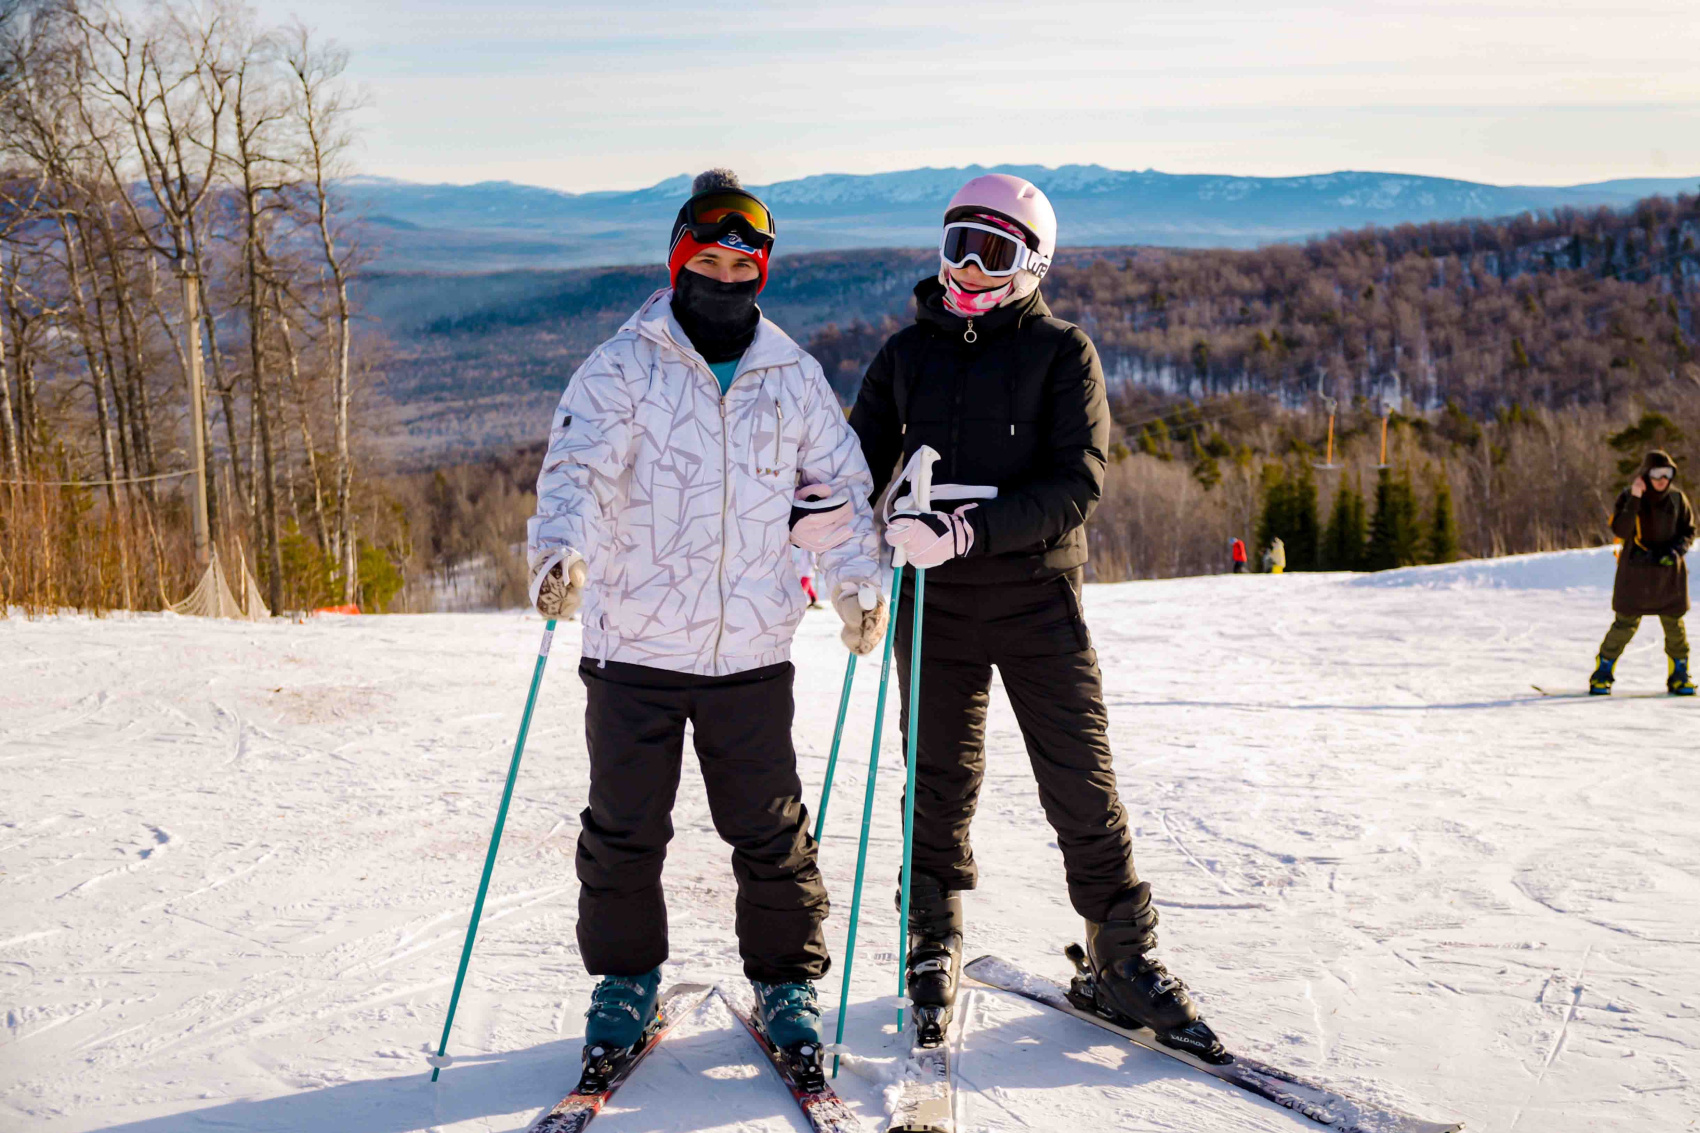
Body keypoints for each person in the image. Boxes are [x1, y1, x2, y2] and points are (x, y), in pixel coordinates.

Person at [848, 173, 1223, 1059]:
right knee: (937, 778)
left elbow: (1076, 483)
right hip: (933, 605)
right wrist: (855, 543)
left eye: (995, 252)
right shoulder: (907, 355)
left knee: (1079, 779)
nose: (971, 268)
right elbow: (848, 463)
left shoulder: (1063, 354)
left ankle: (1120, 956)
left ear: (1033, 263)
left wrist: (967, 531)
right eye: (958, 246)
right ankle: (931, 937)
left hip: (1034, 597)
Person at [527, 169, 887, 1086]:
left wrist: (856, 587)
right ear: (680, 259)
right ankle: (624, 980)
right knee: (623, 828)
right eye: (712, 260)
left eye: (744, 266)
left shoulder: (790, 377)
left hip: (750, 651)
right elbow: (576, 474)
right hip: (633, 646)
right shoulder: (621, 367)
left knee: (770, 832)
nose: (727, 279)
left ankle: (785, 985)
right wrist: (559, 556)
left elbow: (839, 494)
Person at [1589, 449, 1694, 695]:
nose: (1662, 479)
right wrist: (1635, 499)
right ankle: (1603, 671)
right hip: (1635, 572)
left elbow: (1689, 531)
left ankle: (1679, 674)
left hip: (1668, 573)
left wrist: (1675, 552)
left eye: (1667, 474)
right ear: (1646, 474)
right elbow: (1621, 530)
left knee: (1674, 625)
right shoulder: (1628, 496)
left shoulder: (1678, 499)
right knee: (1625, 624)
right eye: (1657, 473)